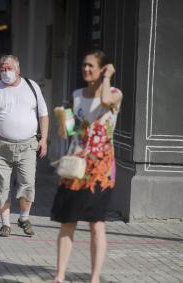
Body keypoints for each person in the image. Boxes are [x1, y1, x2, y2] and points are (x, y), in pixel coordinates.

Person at [50, 50, 123, 283]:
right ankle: (60, 276)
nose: (85, 69)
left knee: (96, 224)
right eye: (84, 65)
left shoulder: (114, 93)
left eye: (91, 66)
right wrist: (63, 123)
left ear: (102, 69)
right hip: (76, 167)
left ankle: (94, 279)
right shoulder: (76, 95)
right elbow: (71, 132)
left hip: (101, 171)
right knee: (67, 222)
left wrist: (107, 77)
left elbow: (105, 101)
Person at [0, 55, 49, 237]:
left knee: (27, 183)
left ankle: (24, 218)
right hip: (0, 146)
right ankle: (5, 224)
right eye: (2, 69)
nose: (5, 72)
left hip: (28, 145)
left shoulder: (32, 87)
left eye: (8, 68)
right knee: (1, 185)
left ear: (18, 69)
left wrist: (44, 139)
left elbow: (43, 114)